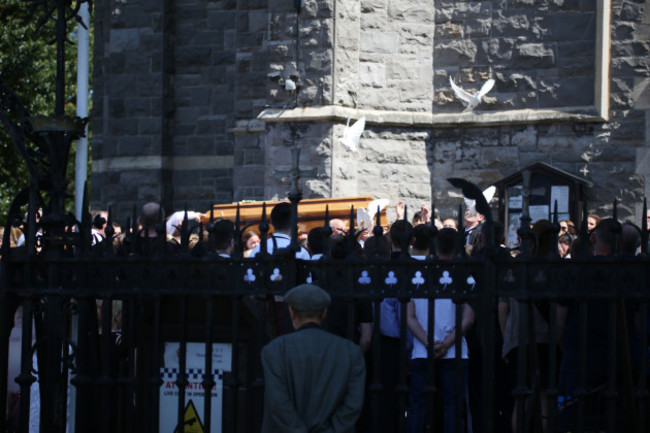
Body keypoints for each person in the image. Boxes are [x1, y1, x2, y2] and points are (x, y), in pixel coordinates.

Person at [261, 283, 366, 433]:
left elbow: (278, 403)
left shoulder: (275, 350)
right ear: (324, 313)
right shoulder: (351, 352)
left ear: (291, 312)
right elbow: (352, 405)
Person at [407, 227, 474, 433]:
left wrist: (428, 342)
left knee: (418, 407)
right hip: (454, 351)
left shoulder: (417, 274)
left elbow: (409, 317)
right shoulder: (465, 276)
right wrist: (446, 343)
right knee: (452, 407)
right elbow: (469, 318)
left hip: (422, 350)